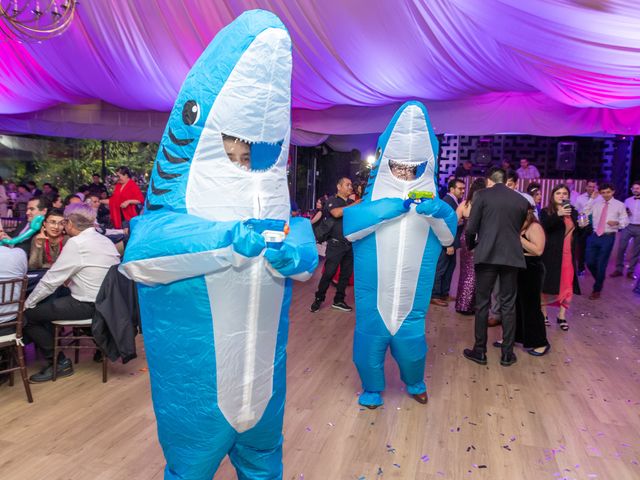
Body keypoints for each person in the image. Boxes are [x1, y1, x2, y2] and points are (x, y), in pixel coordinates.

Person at [343, 100, 458, 408]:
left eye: (414, 169)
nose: (406, 174)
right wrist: (384, 209)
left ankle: (415, 383)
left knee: (412, 345)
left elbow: (449, 237)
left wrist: (437, 211)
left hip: (412, 300)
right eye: (400, 168)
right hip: (373, 300)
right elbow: (351, 228)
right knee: (368, 342)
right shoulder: (372, 202)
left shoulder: (436, 206)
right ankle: (371, 388)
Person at [23, 203, 121, 382]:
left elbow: (51, 280)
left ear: (68, 223)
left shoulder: (77, 243)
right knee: (51, 301)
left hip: (89, 305)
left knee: (29, 315)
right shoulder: (104, 240)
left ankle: (58, 363)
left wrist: (27, 303)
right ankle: (100, 345)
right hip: (108, 303)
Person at [462, 167, 529, 367]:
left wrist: (474, 246)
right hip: (512, 256)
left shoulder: (482, 195)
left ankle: (480, 351)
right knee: (508, 305)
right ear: (506, 180)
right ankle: (507, 354)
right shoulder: (521, 200)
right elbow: (516, 228)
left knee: (482, 304)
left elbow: (471, 228)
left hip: (487, 255)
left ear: (489, 180)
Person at [310, 177, 357, 312]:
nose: (350, 187)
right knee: (329, 273)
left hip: (349, 244)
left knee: (345, 275)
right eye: (347, 185)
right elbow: (336, 213)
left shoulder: (350, 202)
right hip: (335, 244)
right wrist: (355, 204)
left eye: (351, 185)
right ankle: (319, 299)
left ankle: (339, 300)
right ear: (339, 186)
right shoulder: (332, 201)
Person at [540, 184, 580, 331]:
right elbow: (544, 227)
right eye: (558, 193)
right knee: (546, 285)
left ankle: (561, 316)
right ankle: (543, 314)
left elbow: (580, 233)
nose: (562, 196)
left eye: (564, 193)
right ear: (552, 196)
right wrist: (558, 214)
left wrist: (584, 226)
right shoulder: (546, 212)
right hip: (551, 254)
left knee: (567, 285)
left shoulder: (574, 212)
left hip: (569, 254)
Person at [584, 183, 629, 299]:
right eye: (603, 192)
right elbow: (584, 213)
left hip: (608, 236)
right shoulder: (596, 203)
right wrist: (591, 200)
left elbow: (625, 221)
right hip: (594, 236)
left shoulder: (620, 205)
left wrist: (617, 223)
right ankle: (600, 278)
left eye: (608, 192)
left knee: (601, 264)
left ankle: (597, 289)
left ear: (613, 192)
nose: (605, 195)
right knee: (589, 262)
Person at [515, 206, 549, 355]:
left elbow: (538, 250)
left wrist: (518, 238)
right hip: (519, 268)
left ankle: (540, 342)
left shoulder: (535, 227)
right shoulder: (518, 225)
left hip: (532, 269)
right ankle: (519, 337)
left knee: (531, 307)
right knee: (517, 306)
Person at [455, 178, 486, 315]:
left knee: (465, 272)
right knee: (476, 273)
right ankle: (472, 305)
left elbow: (454, 222)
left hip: (464, 238)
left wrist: (463, 221)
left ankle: (462, 304)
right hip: (479, 239)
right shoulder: (485, 205)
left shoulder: (464, 204)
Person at [431, 178, 465, 306]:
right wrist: (448, 244)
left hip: (452, 241)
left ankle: (444, 293)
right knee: (441, 269)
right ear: (452, 189)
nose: (463, 191)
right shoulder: (447, 202)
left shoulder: (454, 201)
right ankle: (435, 295)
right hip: (447, 242)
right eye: (460, 188)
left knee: (450, 268)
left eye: (463, 188)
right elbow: (442, 224)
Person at [611, 180, 640, 279]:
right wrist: (626, 213)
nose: (635, 190)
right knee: (621, 248)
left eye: (637, 188)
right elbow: (623, 213)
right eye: (633, 188)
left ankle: (630, 271)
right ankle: (619, 269)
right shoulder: (628, 200)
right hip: (628, 226)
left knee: (636, 251)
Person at [574, 179, 601, 275]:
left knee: (596, 247)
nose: (591, 188)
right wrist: (581, 225)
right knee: (582, 247)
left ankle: (595, 268)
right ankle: (581, 268)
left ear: (596, 187)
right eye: (590, 186)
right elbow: (578, 211)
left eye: (594, 186)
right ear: (586, 187)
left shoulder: (601, 198)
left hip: (596, 225)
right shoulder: (580, 198)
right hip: (584, 223)